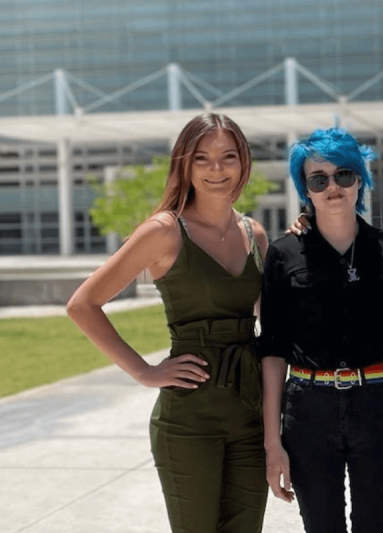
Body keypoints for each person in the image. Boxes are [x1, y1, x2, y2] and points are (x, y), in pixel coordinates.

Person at [67, 113, 269, 533]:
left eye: (228, 156)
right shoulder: (164, 232)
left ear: (243, 162)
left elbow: (274, 324)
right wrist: (144, 371)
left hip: (250, 414)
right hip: (189, 419)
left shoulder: (255, 234)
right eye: (203, 158)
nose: (217, 169)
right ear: (185, 165)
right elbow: (83, 304)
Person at [259, 128, 383, 533]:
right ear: (305, 189)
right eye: (318, 180)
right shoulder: (284, 254)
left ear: (360, 178)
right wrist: (273, 444)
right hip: (307, 410)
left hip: (377, 405)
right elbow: (272, 348)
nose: (332, 187)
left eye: (343, 175)